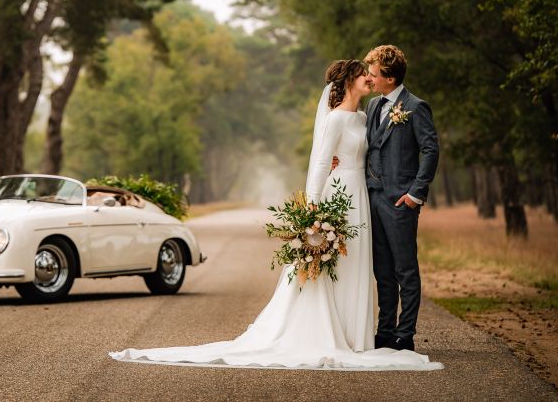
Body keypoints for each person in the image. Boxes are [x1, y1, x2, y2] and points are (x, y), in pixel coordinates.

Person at [109, 59, 442, 370]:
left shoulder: (364, 116)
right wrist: (313, 206)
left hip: (361, 197)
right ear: (348, 81)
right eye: (362, 74)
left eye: (372, 73)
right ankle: (331, 333)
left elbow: (379, 153)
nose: (368, 78)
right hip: (340, 194)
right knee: (336, 265)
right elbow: (321, 162)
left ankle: (357, 336)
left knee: (356, 262)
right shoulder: (337, 118)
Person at [363, 45, 439, 352]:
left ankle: (405, 334)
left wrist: (415, 193)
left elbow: (430, 150)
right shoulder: (372, 106)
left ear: (390, 78)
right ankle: (385, 331)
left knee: (404, 270)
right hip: (372, 198)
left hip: (400, 201)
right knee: (382, 270)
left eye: (373, 74)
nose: (368, 78)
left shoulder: (416, 107)